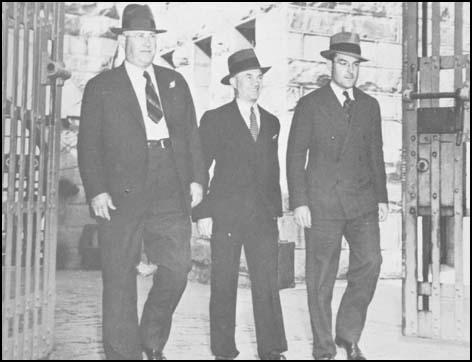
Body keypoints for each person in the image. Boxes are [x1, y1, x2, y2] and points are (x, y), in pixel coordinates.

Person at [77, 4, 205, 360]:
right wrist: (97, 189)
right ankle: (123, 354)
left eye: (151, 37)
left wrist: (197, 179)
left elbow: (191, 135)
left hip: (170, 182)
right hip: (121, 189)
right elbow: (88, 144)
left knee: (178, 267)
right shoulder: (101, 87)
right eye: (139, 37)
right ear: (124, 41)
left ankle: (150, 339)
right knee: (119, 277)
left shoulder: (175, 82)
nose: (147, 44)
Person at [286, 32, 389, 360]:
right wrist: (300, 201)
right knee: (320, 279)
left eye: (354, 65)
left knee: (371, 261)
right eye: (343, 63)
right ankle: (324, 348)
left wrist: (382, 197)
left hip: (361, 202)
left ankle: (348, 334)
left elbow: (376, 153)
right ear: (330, 64)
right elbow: (294, 157)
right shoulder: (310, 105)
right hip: (322, 204)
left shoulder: (369, 106)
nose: (349, 70)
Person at [193, 48, 288, 360]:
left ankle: (271, 350)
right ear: (233, 81)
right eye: (248, 77)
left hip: (263, 217)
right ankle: (223, 350)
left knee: (267, 285)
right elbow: (199, 168)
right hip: (226, 215)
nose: (255, 82)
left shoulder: (272, 123)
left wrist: (278, 211)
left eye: (259, 77)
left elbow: (272, 170)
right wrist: (201, 212)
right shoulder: (215, 119)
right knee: (224, 283)